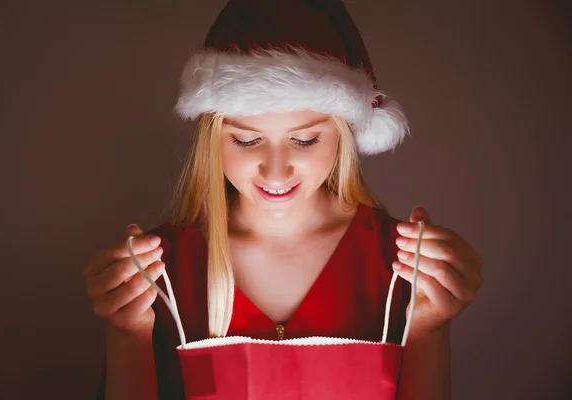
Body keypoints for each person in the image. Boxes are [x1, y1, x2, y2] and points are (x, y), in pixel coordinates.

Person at [83, 1, 483, 399]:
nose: (275, 173)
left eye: (304, 140)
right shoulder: (161, 273)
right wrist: (127, 336)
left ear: (343, 135)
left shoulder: (399, 266)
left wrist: (430, 325)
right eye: (247, 139)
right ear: (212, 138)